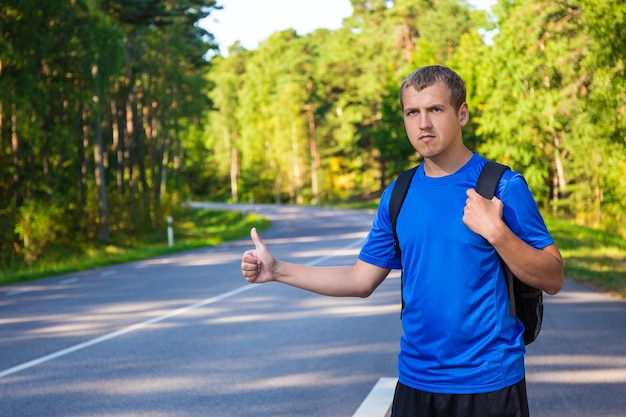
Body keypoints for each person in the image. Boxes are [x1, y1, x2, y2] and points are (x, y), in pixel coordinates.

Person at [240, 65, 564, 417]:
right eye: (413, 112)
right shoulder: (398, 194)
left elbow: (553, 277)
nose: (423, 123)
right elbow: (360, 279)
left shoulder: (501, 187)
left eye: (435, 110)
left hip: (489, 383)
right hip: (415, 381)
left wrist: (498, 233)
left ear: (462, 114)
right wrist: (278, 270)